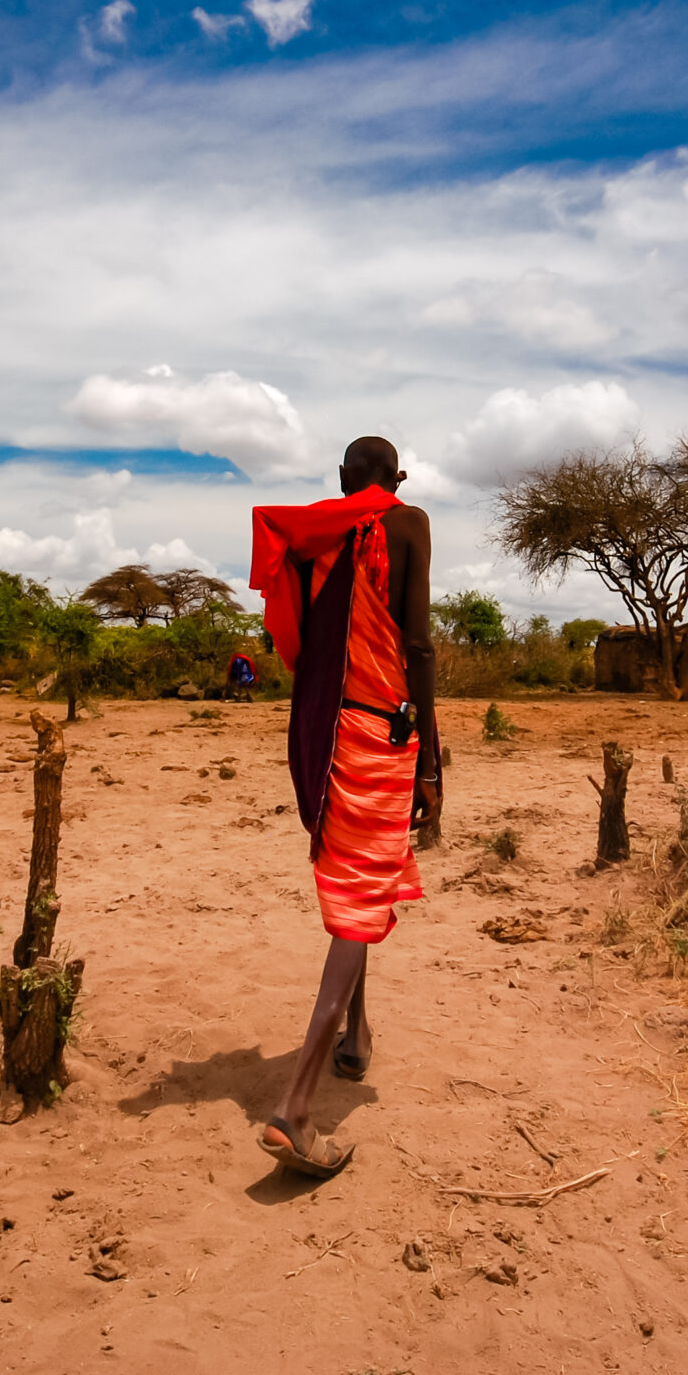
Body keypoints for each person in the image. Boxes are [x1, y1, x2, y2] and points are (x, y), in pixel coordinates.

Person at [246, 435, 443, 1179]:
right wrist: (430, 751)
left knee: (366, 875)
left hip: (321, 730)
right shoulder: (409, 522)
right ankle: (295, 1108)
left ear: (340, 480)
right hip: (381, 729)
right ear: (398, 479)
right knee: (361, 901)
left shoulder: (316, 542)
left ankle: (357, 1034)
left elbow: (294, 644)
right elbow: (417, 645)